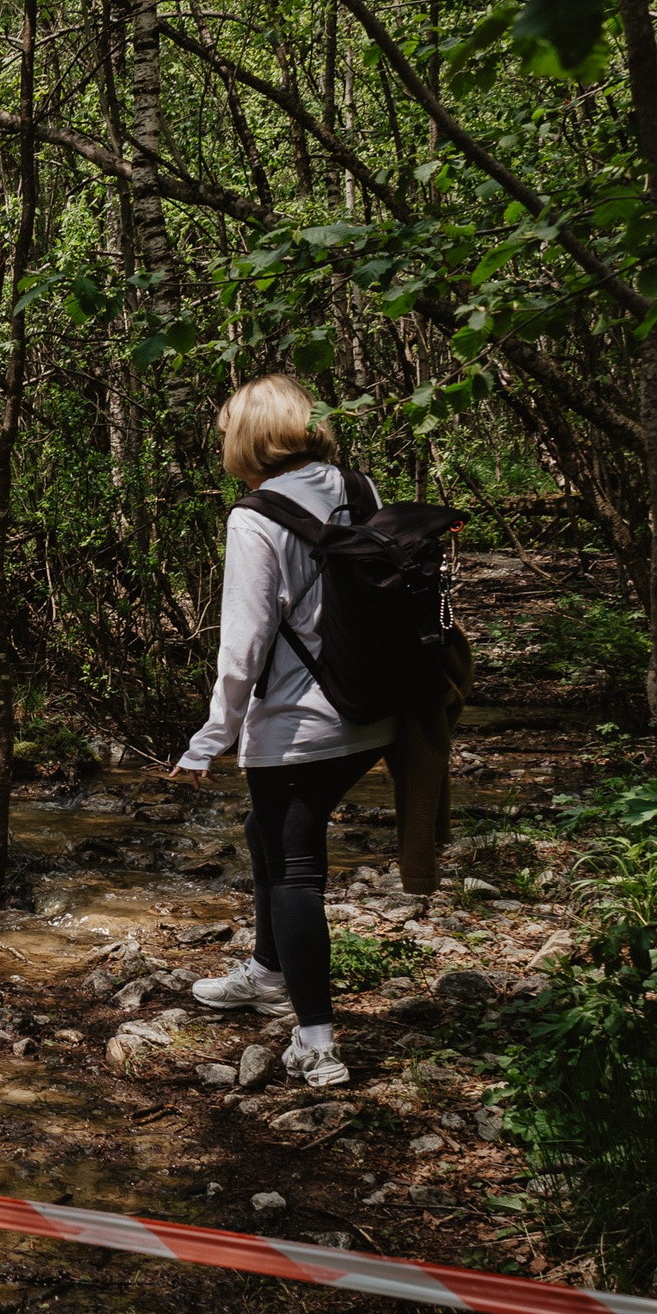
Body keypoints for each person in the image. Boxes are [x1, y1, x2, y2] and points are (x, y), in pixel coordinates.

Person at [175, 374, 392, 1089]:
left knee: (296, 866)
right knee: (264, 831)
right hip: (375, 710)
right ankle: (269, 969)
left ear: (249, 437)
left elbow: (243, 642)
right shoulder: (360, 490)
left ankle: (317, 1042)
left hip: (303, 723)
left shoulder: (255, 516)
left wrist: (209, 740)